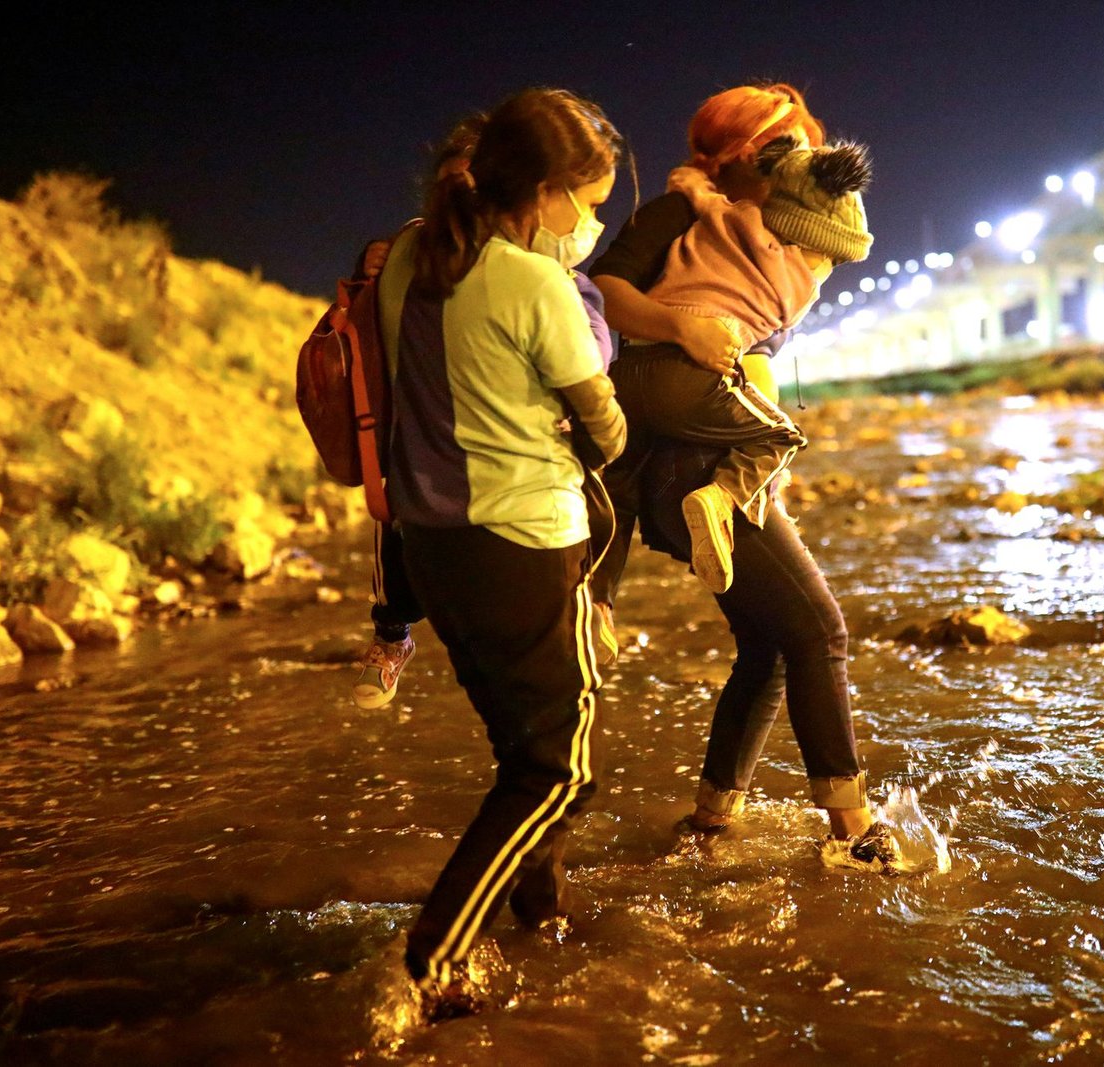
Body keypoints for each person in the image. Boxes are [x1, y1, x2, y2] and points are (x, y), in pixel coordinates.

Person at [588, 84, 898, 865]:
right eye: (778, 149)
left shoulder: (779, 231)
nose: (791, 162)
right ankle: (854, 829)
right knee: (820, 629)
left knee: (767, 643)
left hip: (711, 448)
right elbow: (606, 293)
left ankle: (710, 819)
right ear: (736, 159)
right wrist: (679, 326)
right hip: (683, 467)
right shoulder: (681, 214)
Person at [382, 87, 627, 1018]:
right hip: (524, 543)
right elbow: (601, 422)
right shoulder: (535, 282)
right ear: (547, 192)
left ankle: (541, 912)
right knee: (558, 770)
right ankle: (436, 955)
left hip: (434, 551)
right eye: (590, 199)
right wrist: (598, 420)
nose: (592, 220)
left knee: (518, 745)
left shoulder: (410, 254)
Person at [351, 118, 617, 710]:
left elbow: (593, 362)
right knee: (552, 735)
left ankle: (595, 603)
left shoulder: (548, 277)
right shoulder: (417, 259)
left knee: (528, 720)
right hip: (470, 499)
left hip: (499, 505)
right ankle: (392, 634)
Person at [621, 136, 873, 593]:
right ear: (806, 241)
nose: (829, 268)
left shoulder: (720, 216)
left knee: (615, 489)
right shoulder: (797, 285)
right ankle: (722, 497)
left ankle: (599, 597)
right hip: (688, 378)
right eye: (830, 257)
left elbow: (699, 194)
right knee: (781, 434)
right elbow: (760, 349)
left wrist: (690, 182)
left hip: (631, 365)